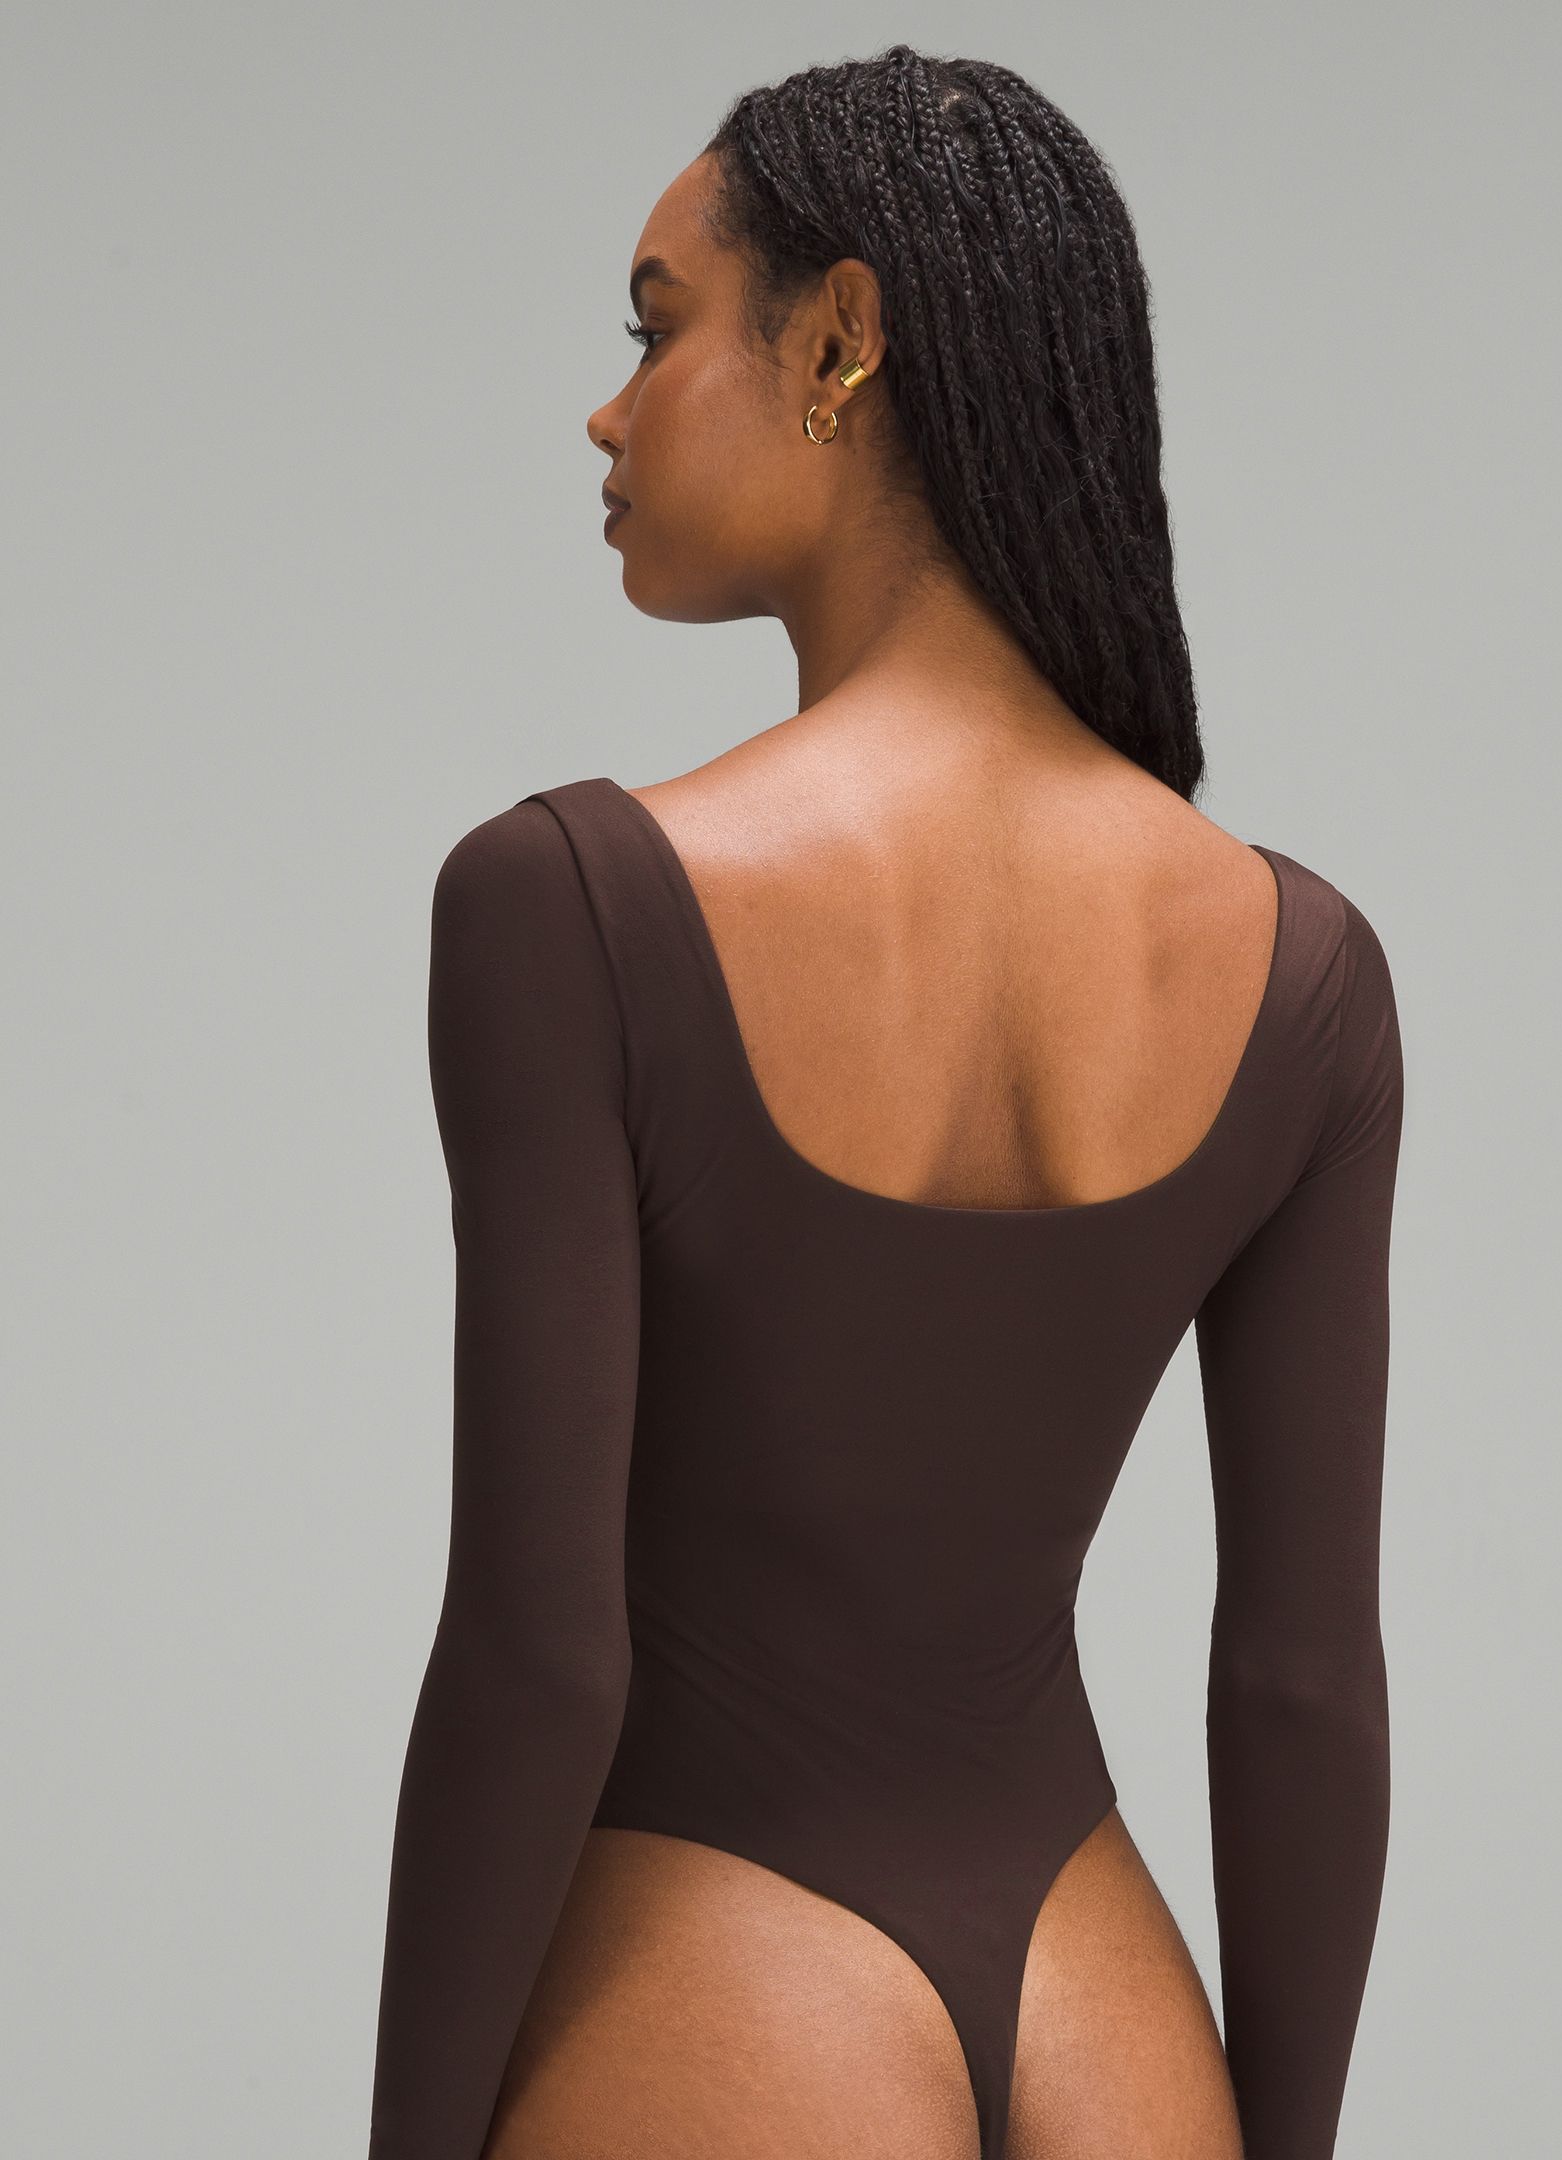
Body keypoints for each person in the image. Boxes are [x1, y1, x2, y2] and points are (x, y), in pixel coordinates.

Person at [367, 44, 1403, 2160]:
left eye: (654, 328)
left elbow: (541, 1660)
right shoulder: (1303, 969)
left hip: (721, 1994)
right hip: (1117, 2021)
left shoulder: (574, 905)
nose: (609, 411)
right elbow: (1301, 1681)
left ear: (839, 338)